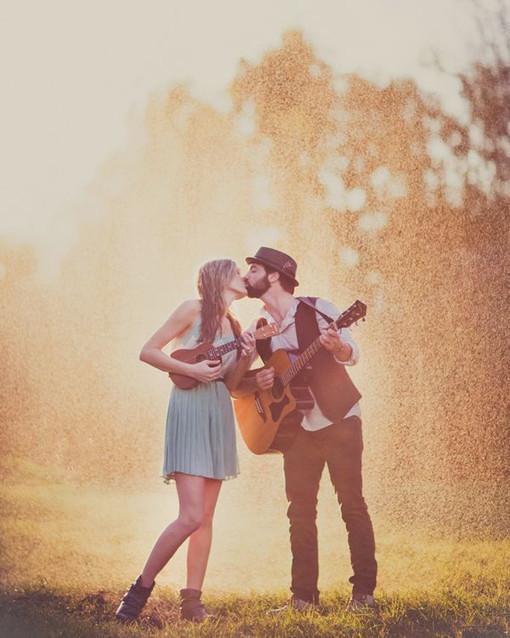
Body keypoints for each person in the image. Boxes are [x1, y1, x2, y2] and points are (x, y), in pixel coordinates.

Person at [115, 259, 255, 623]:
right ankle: (138, 592)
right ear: (219, 278)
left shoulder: (236, 325)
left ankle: (192, 602)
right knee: (190, 515)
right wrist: (190, 369)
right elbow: (149, 351)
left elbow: (233, 382)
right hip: (190, 411)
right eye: (238, 272)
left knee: (205, 517)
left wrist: (249, 355)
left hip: (217, 413)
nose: (244, 277)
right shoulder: (192, 309)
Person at [238, 246, 377, 611]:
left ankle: (363, 594)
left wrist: (338, 348)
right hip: (296, 428)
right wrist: (260, 379)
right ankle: (303, 599)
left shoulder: (318, 309)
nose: (244, 275)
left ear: (272, 276)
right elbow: (237, 382)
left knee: (352, 506)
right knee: (299, 512)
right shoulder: (258, 328)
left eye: (251, 269)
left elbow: (353, 352)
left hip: (340, 420)